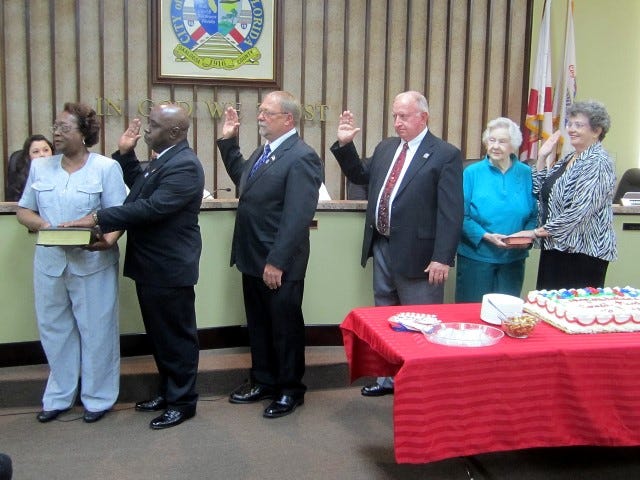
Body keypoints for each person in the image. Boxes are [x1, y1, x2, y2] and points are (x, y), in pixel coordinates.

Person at [61, 103, 205, 429]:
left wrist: (97, 217)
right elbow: (140, 188)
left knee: (176, 339)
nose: (146, 131)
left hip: (169, 268)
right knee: (159, 336)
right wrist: (126, 155)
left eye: (153, 126)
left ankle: (183, 402)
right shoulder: (162, 161)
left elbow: (152, 208)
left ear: (174, 132)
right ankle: (169, 391)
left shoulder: (185, 166)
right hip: (151, 265)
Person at [330, 90, 463, 396]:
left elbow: (451, 212)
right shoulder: (387, 147)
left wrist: (442, 257)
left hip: (421, 255)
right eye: (395, 116)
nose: (398, 122)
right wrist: (346, 146)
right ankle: (387, 378)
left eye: (404, 116)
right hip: (383, 245)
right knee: (386, 317)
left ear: (423, 117)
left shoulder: (444, 154)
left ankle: (422, 385)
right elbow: (362, 176)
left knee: (420, 322)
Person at [16, 103, 127, 423]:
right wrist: (44, 227)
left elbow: (117, 215)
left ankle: (98, 398)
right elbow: (24, 210)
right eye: (55, 127)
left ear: (84, 133)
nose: (56, 133)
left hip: (92, 261)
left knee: (97, 331)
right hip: (50, 262)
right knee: (55, 330)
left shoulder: (106, 168)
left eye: (64, 128)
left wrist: (107, 242)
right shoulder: (41, 168)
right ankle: (59, 395)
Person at [216, 91, 322, 418]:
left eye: (267, 112)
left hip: (278, 262)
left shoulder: (302, 156)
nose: (260, 117)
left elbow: (297, 216)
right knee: (259, 326)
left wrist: (276, 261)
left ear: (288, 119)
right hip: (252, 256)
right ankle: (263, 380)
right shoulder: (266, 152)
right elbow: (245, 181)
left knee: (284, 328)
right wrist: (228, 143)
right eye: (260, 112)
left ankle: (290, 390)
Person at [512, 100, 616, 290]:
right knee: (549, 308)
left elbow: (579, 212)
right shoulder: (570, 157)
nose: (571, 129)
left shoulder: (598, 162)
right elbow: (541, 191)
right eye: (569, 123)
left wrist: (535, 233)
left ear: (597, 130)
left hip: (583, 252)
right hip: (556, 248)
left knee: (571, 313)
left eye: (579, 125)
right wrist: (542, 157)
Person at [455, 117, 538, 302]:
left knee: (506, 315)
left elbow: (534, 213)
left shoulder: (526, 173)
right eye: (492, 140)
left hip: (513, 259)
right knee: (472, 314)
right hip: (476, 257)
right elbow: (460, 214)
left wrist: (527, 235)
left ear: (513, 145)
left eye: (502, 141)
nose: (495, 146)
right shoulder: (471, 173)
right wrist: (486, 236)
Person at [6, 134, 54, 201]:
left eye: (46, 150)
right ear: (28, 157)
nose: (42, 155)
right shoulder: (22, 178)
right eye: (36, 152)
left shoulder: (61, 172)